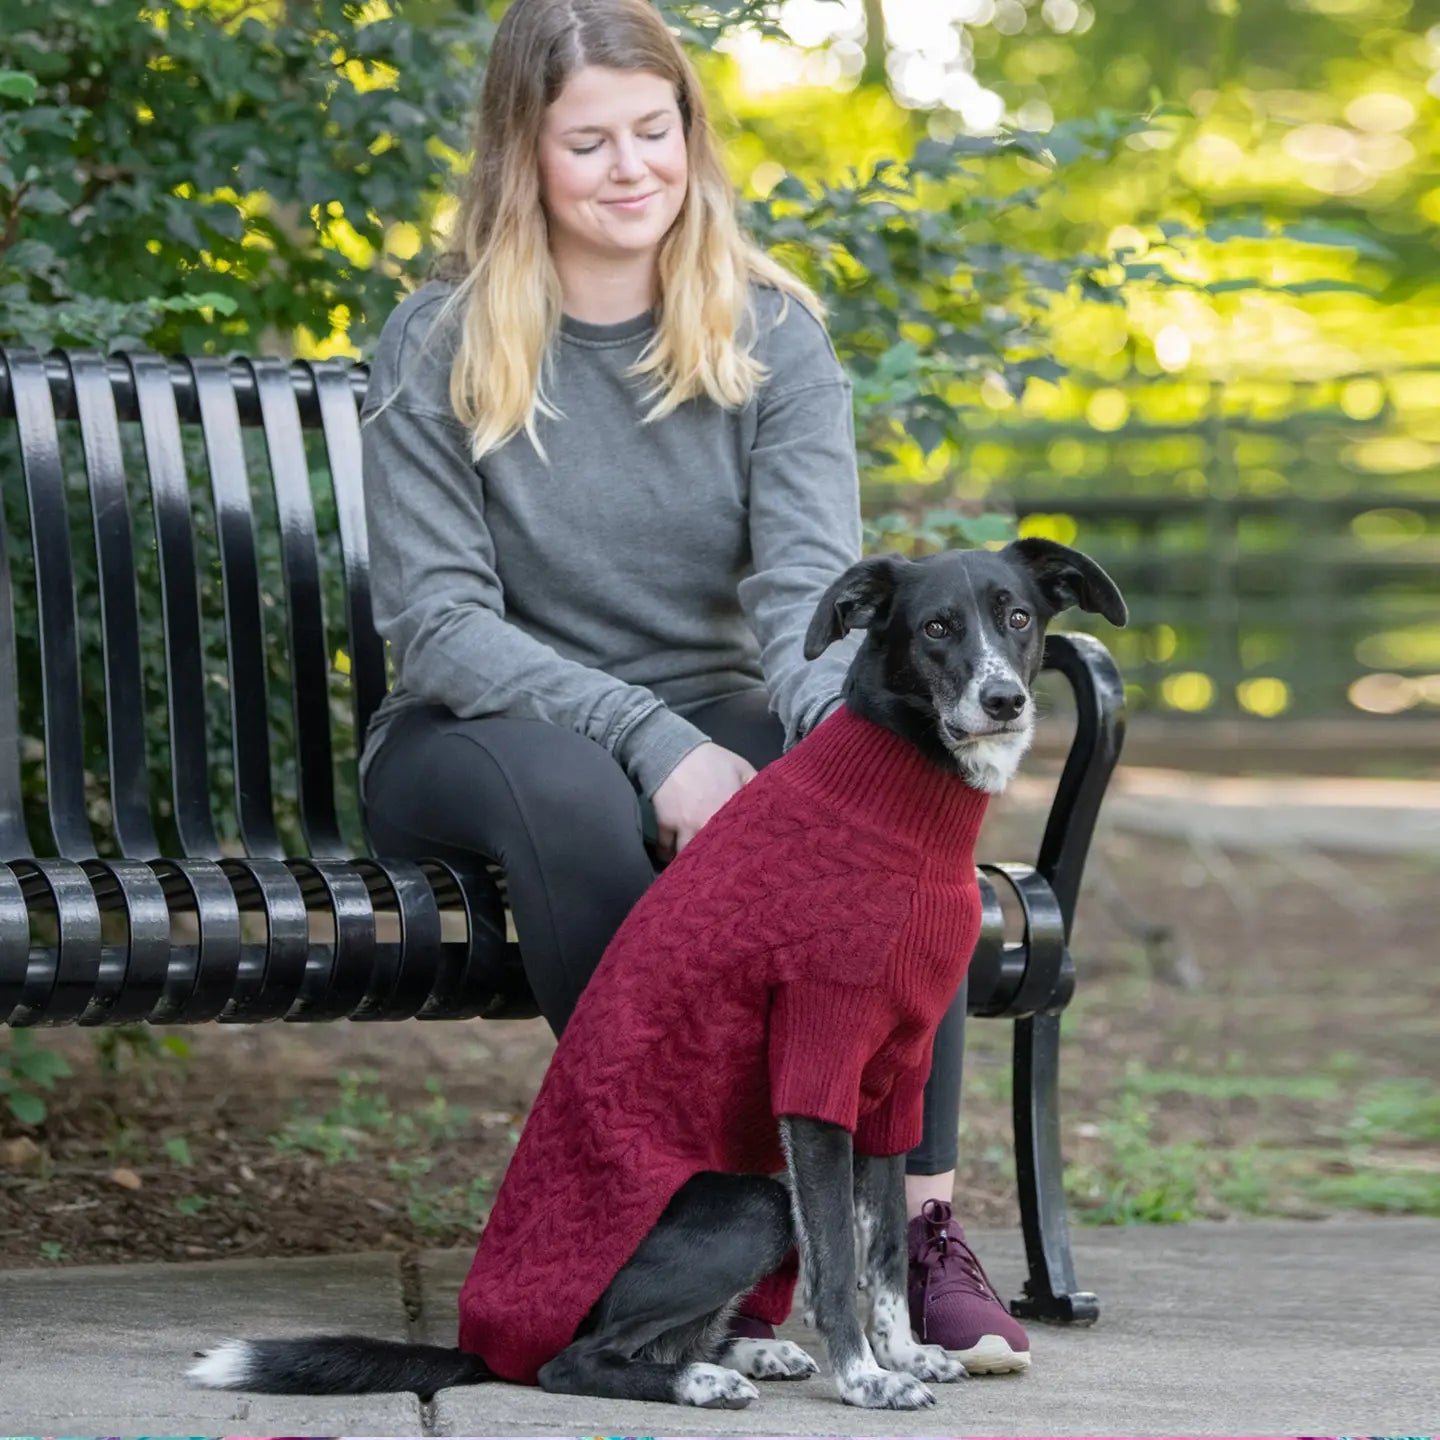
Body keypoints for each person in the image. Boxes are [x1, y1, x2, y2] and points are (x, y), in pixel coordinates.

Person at [356, 0, 1029, 1375]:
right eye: (587, 141)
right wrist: (650, 739)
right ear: (520, 155)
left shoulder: (771, 334)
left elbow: (804, 607)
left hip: (712, 708)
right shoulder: (441, 342)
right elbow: (438, 624)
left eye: (653, 132)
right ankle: (667, 1215)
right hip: (478, 733)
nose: (629, 169)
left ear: (691, 136)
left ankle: (913, 1228)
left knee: (886, 820)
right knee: (569, 802)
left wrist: (826, 754)